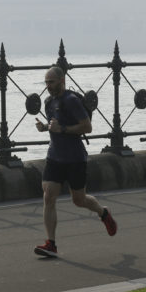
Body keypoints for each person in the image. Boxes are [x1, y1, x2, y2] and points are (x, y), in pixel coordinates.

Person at [33, 65, 117, 257]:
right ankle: (51, 244)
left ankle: (103, 213)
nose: (48, 86)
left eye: (51, 82)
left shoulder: (71, 101)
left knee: (79, 200)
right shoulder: (48, 102)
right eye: (46, 83)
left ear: (62, 81)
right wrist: (44, 127)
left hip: (75, 158)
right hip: (55, 157)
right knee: (48, 196)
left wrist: (61, 129)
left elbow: (87, 127)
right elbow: (54, 125)